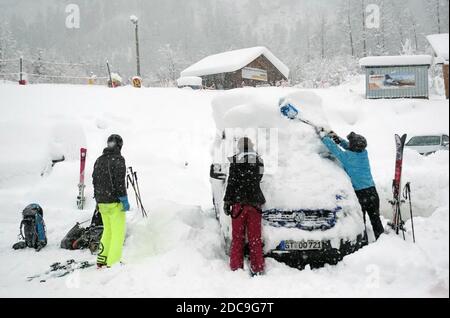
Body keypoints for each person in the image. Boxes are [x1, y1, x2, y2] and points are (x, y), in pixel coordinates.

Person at [320, 131, 385, 240]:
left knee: (361, 222)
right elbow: (349, 147)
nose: (348, 144)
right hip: (372, 192)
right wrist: (339, 140)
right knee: (376, 220)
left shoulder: (346, 157)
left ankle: (363, 244)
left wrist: (324, 137)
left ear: (353, 146)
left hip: (360, 195)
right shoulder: (364, 153)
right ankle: (381, 240)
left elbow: (334, 149)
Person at [224, 137, 266, 276]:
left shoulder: (235, 160)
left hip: (239, 204)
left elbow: (231, 183)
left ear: (240, 147)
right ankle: (258, 267)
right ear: (252, 147)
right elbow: (259, 178)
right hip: (255, 203)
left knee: (238, 238)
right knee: (255, 239)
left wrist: (227, 202)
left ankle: (236, 268)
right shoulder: (259, 160)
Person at [92, 134, 130, 268]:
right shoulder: (118, 159)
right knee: (118, 233)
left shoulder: (99, 160)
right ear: (119, 145)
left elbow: (95, 180)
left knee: (107, 231)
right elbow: (119, 182)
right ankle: (113, 263)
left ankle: (102, 259)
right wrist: (124, 199)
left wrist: (98, 199)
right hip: (114, 203)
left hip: (101, 202)